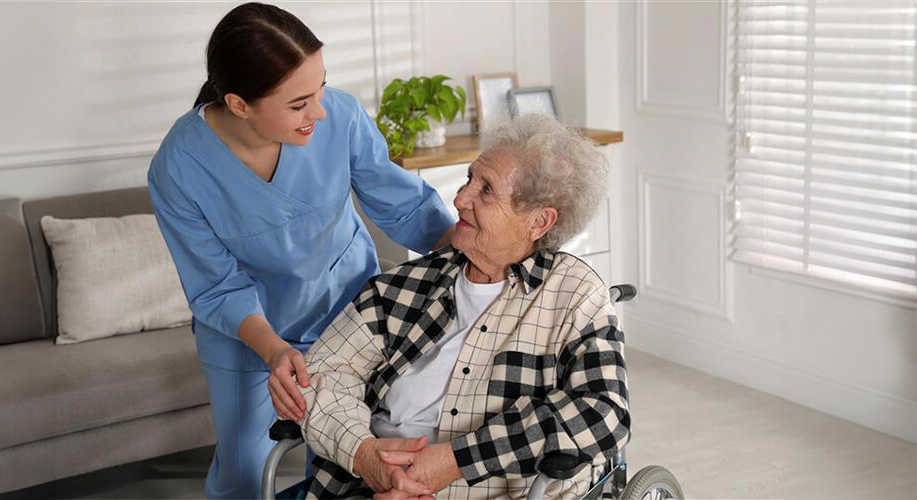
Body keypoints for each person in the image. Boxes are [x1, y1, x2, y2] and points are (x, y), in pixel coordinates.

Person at [147, 3, 455, 498]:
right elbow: (217, 285)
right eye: (298, 104)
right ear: (240, 104)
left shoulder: (341, 118)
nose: (320, 112)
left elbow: (406, 208)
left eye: (321, 89)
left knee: (343, 462)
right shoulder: (178, 168)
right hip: (249, 333)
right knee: (245, 473)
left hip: (348, 311)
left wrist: (477, 249)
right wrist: (273, 350)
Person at [293, 114, 630, 499]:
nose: (459, 199)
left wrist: (455, 460)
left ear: (539, 221)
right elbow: (320, 374)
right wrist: (367, 456)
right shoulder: (403, 286)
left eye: (486, 190)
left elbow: (603, 412)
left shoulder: (575, 295)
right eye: (469, 179)